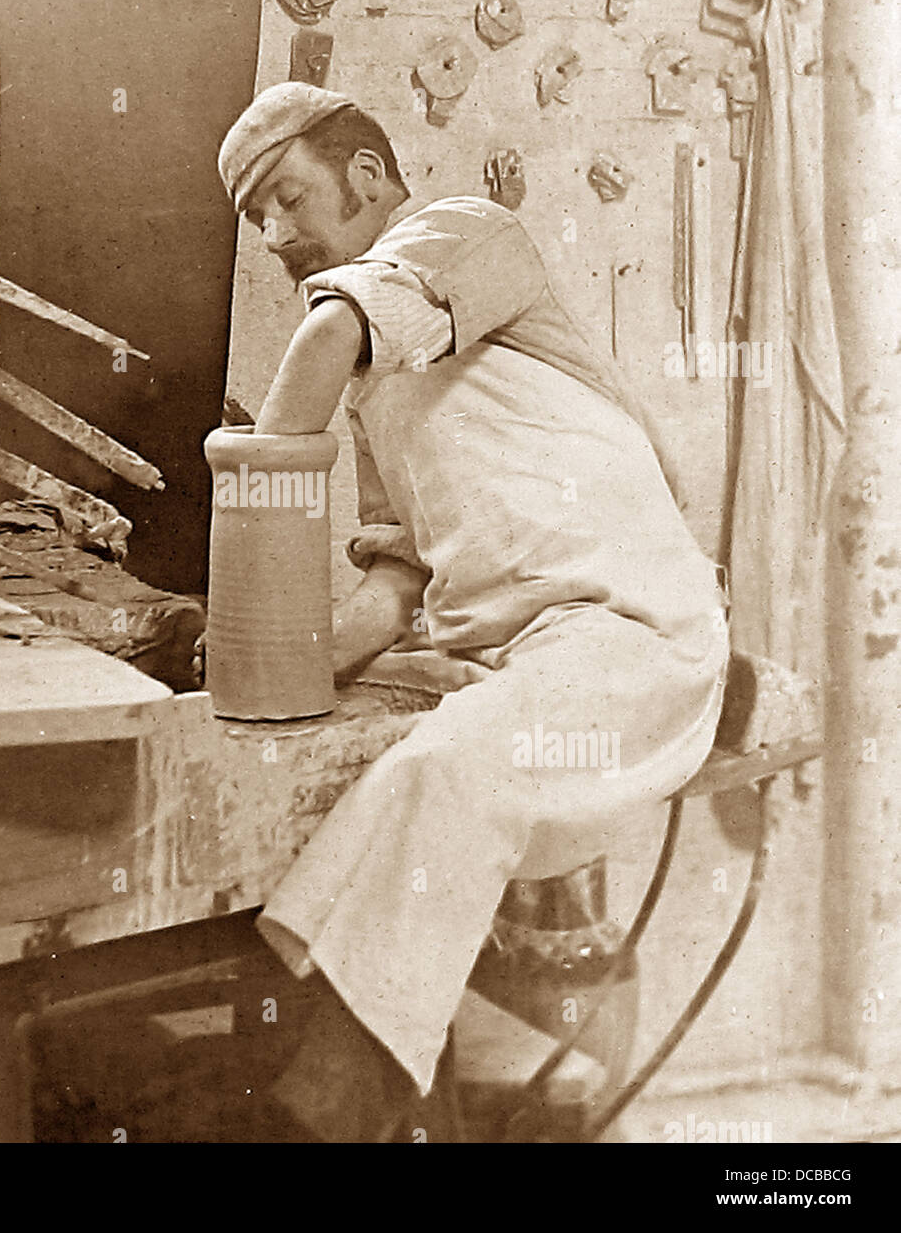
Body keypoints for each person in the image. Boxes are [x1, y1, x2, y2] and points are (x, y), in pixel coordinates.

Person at [213, 82, 730, 1141]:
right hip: (522, 653)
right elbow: (394, 586)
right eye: (256, 217)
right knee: (407, 788)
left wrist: (255, 477)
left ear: (365, 173)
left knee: (442, 774)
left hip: (630, 631)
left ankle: (314, 1122)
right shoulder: (375, 388)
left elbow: (322, 342)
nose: (273, 235)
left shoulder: (462, 235)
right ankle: (333, 1101)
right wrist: (262, 659)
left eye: (286, 198)